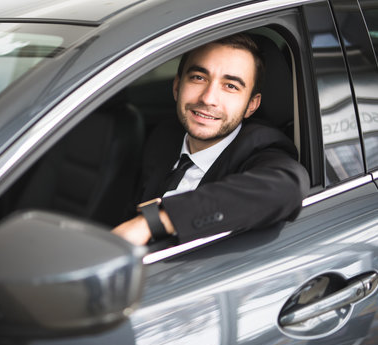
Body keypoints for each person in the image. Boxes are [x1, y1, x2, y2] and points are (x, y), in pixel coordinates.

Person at [112, 33, 310, 246]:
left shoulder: (260, 146)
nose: (208, 98)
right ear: (177, 86)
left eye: (231, 86)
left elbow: (286, 188)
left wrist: (153, 222)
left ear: (251, 105)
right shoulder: (164, 137)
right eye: (199, 77)